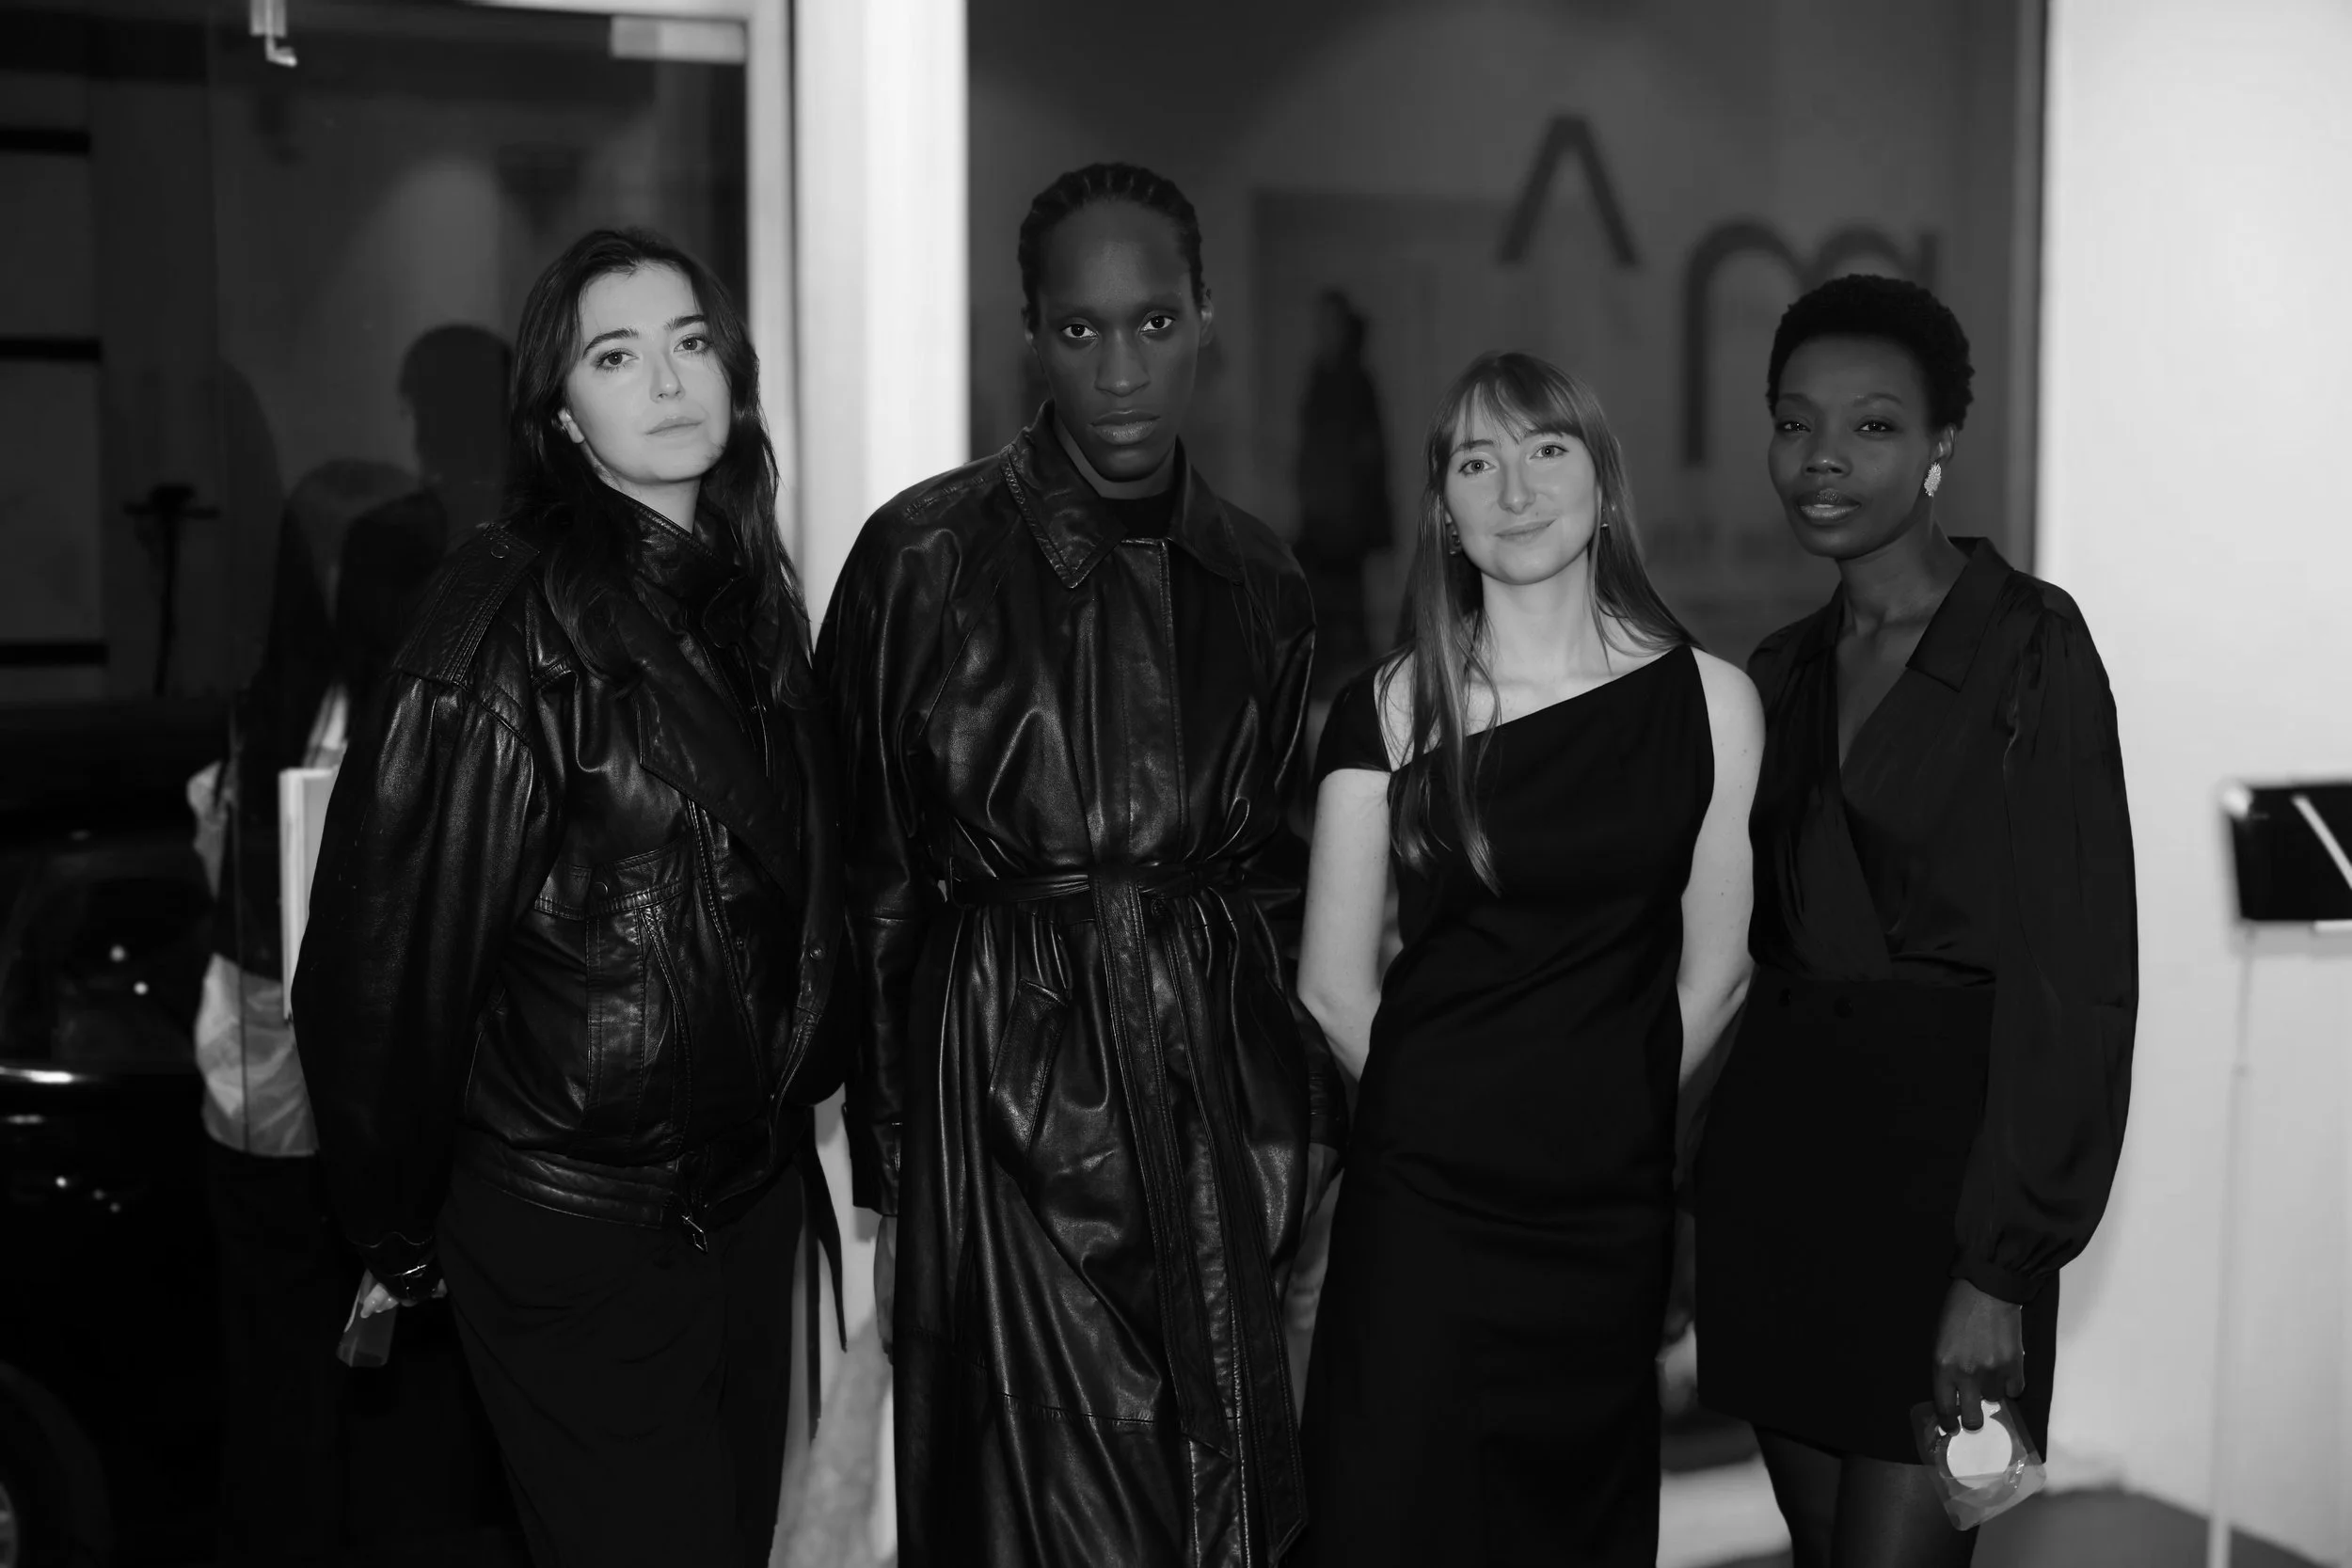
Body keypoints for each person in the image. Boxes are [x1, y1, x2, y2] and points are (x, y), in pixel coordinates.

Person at [293, 227, 848, 1568]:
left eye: (690, 342)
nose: (667, 380)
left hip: (739, 1203)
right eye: (616, 354)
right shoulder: (498, 626)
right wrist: (398, 1229)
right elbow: (377, 972)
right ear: (562, 415)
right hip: (575, 1228)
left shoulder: (749, 594)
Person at [818, 162, 1344, 1568]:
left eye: (1156, 324)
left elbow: (1295, 883)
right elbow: (862, 879)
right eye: (1082, 328)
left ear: (1208, 316)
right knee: (1029, 1522)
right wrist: (894, 1172)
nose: (1121, 370)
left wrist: (1297, 1138)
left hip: (1220, 1108)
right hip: (996, 1094)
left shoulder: (1263, 577)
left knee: (1218, 1514)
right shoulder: (921, 557)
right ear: (1031, 333)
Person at [1694, 274, 2137, 1567]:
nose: (1823, 457)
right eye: (1795, 421)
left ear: (1944, 440)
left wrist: (2001, 1269)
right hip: (1779, 1196)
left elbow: (2080, 978)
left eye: (1874, 424)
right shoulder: (1775, 670)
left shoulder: (2033, 647)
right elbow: (1741, 959)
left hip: (1952, 1217)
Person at [1291, 350, 1761, 1565]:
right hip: (1424, 1211)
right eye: (1475, 459)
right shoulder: (1392, 707)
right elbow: (1334, 985)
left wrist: (1605, 1115)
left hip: (1603, 1218)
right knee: (1394, 1519)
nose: (1514, 484)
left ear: (1605, 489)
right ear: (1442, 512)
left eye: (1547, 448)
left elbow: (1718, 973)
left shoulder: (1711, 701)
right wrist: (1455, 1122)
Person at [1293, 289, 1391, 681]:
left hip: (1345, 519)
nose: (1322, 332)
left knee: (1346, 605)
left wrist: (1359, 514)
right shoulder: (1321, 378)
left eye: (1329, 323)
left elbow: (1368, 456)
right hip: (1323, 514)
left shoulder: (1354, 382)